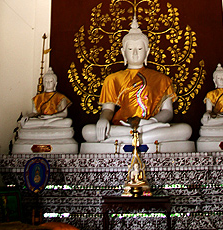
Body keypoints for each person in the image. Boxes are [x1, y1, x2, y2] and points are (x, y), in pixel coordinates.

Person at [81, 18, 193, 151]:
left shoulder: (162, 79)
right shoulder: (112, 79)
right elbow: (108, 110)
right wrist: (103, 119)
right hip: (123, 126)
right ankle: (141, 138)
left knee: (185, 130)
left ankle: (128, 139)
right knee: (88, 131)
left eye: (139, 49)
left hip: (151, 126)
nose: (134, 53)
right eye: (130, 49)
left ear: (147, 52)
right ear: (123, 53)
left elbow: (167, 112)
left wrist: (152, 122)